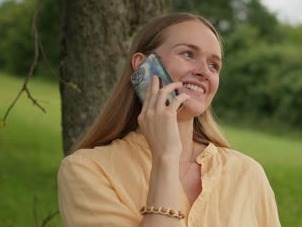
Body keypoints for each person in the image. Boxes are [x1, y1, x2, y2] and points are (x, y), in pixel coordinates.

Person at [57, 12, 281, 227]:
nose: (205, 71)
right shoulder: (88, 169)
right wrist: (165, 157)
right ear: (142, 65)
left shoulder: (247, 173)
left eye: (214, 65)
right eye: (188, 54)